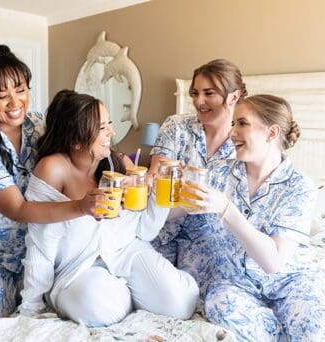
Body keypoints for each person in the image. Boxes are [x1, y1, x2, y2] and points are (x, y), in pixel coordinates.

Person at [18, 90, 198, 326]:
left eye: (109, 124)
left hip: (127, 252)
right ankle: (124, 298)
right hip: (78, 268)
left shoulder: (119, 163)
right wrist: (31, 305)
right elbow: (40, 242)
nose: (112, 133)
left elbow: (145, 232)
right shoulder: (53, 168)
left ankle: (129, 297)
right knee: (98, 306)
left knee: (181, 303)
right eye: (102, 128)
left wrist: (157, 190)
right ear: (76, 140)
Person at [0, 45, 100, 316]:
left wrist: (120, 161)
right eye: (1, 95)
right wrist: (80, 207)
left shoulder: (38, 124)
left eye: (21, 90)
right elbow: (17, 209)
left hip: (28, 243)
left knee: (43, 310)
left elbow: (78, 147)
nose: (15, 102)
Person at [177, 95, 325, 340]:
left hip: (289, 282)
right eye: (233, 123)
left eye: (242, 123)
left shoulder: (299, 187)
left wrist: (227, 209)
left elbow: (273, 263)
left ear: (272, 133)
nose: (232, 132)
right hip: (235, 283)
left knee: (316, 323)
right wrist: (165, 189)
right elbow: (178, 208)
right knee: (220, 305)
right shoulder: (219, 171)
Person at [150, 59, 246, 286]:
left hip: (210, 244)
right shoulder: (176, 126)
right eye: (194, 93)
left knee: (197, 296)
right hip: (159, 230)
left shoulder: (245, 142)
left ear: (233, 96)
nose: (198, 101)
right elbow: (156, 179)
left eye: (208, 93)